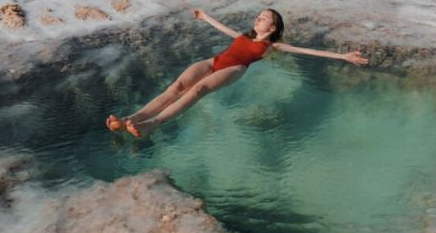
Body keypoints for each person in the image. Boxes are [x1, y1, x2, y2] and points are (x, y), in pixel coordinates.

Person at [106, 8, 369, 138]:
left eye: (263, 17)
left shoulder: (271, 45)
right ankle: (131, 118)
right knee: (177, 86)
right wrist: (205, 16)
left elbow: (307, 51)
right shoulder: (245, 35)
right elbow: (224, 29)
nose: (258, 18)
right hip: (215, 60)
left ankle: (151, 125)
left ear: (273, 26)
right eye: (258, 15)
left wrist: (343, 56)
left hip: (233, 69)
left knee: (197, 90)